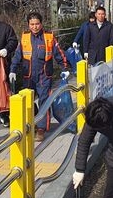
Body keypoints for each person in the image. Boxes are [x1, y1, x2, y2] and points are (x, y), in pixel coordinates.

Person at [9, 12, 69, 142]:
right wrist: (12, 70)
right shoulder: (24, 38)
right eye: (32, 24)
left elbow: (59, 54)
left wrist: (65, 68)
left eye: (37, 24)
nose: (35, 27)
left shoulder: (49, 37)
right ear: (28, 25)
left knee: (44, 101)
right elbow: (17, 55)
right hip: (28, 76)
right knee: (27, 102)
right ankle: (31, 123)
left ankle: (41, 129)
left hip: (44, 76)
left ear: (41, 24)